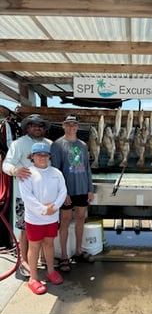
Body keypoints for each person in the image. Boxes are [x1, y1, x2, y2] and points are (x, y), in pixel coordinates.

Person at [3, 114, 52, 277]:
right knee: (25, 230)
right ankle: (24, 260)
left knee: (46, 229)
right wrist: (15, 170)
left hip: (46, 197)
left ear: (44, 128)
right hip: (24, 197)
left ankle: (44, 258)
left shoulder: (50, 144)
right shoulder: (18, 144)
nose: (37, 127)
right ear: (27, 127)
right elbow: (6, 164)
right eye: (33, 125)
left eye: (40, 125)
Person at [19, 142, 67, 294]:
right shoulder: (27, 173)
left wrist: (54, 207)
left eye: (45, 155)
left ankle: (51, 270)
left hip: (52, 218)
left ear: (49, 156)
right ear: (32, 156)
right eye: (38, 155)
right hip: (34, 219)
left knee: (49, 244)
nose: (42, 157)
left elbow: (62, 191)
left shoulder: (56, 173)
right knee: (34, 246)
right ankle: (33, 278)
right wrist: (43, 210)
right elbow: (27, 197)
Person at [51, 113, 95, 272]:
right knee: (65, 221)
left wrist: (90, 188)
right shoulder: (57, 145)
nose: (71, 127)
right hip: (66, 192)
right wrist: (63, 193)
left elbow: (87, 168)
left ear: (77, 127)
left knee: (80, 219)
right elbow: (55, 172)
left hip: (82, 189)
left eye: (74, 124)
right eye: (68, 124)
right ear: (63, 126)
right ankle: (63, 256)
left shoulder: (83, 145)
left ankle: (78, 251)